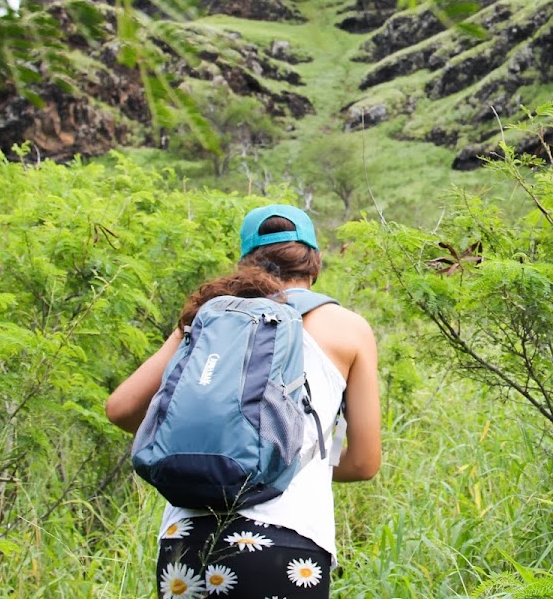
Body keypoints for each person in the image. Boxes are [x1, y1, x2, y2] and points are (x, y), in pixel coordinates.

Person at [105, 204, 382, 598]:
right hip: (289, 540)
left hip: (185, 540)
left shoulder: (209, 315)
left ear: (245, 262)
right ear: (315, 264)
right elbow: (364, 462)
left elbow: (120, 408)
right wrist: (281, 454)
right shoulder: (349, 328)